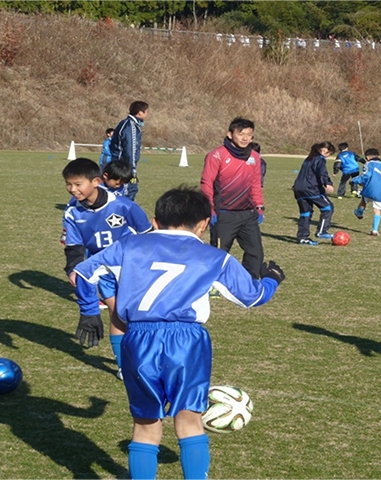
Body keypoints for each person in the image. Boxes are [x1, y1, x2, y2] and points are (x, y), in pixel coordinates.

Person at [71, 186, 285, 480]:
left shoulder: (129, 246)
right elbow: (253, 297)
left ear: (155, 222)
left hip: (138, 339)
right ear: (203, 225)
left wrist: (88, 312)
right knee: (188, 422)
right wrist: (272, 280)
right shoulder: (214, 257)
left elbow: (83, 271)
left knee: (145, 426)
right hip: (187, 342)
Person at [62, 158, 152, 381]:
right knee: (118, 313)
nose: (72, 189)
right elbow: (74, 246)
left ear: (95, 181)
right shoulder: (72, 211)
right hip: (101, 268)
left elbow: (148, 237)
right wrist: (74, 269)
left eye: (77, 184)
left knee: (140, 315)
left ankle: (147, 357)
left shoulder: (124, 206)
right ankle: (124, 365)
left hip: (131, 267)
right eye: (68, 184)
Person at [200, 117, 265, 279]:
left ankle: (249, 282)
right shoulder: (216, 156)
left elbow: (256, 183)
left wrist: (259, 206)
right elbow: (206, 183)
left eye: (249, 135)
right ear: (230, 134)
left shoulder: (255, 157)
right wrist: (210, 209)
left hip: (247, 214)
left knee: (255, 251)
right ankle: (212, 284)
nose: (245, 138)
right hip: (223, 214)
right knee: (219, 252)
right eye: (241, 134)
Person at [293, 141, 336, 245]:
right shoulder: (319, 159)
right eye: (329, 154)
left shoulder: (309, 158)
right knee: (328, 207)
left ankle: (303, 237)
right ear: (325, 151)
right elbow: (321, 172)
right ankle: (322, 232)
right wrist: (327, 183)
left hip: (298, 189)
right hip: (311, 189)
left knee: (305, 213)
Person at [352, 148, 381, 236]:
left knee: (364, 201)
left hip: (369, 188)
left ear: (367, 157)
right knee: (377, 210)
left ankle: (359, 212)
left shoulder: (368, 164)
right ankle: (375, 230)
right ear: (379, 156)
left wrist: (354, 180)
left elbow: (365, 176)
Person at [110, 101, 149, 201]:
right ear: (140, 113)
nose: (147, 114)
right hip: (124, 167)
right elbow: (129, 149)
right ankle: (123, 214)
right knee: (129, 190)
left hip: (118, 164)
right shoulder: (130, 126)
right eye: (146, 112)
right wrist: (132, 170)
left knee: (121, 190)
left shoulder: (125, 123)